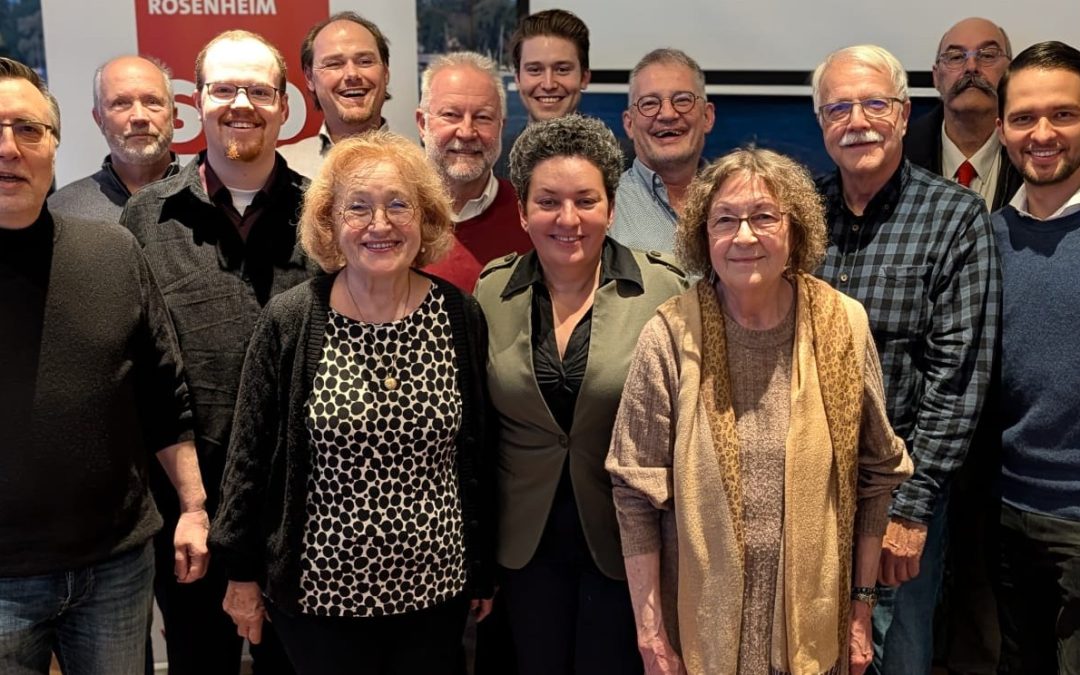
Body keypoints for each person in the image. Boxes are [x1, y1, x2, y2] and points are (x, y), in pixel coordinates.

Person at [607, 146, 914, 674]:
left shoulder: (843, 324)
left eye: (764, 217)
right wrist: (650, 631)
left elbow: (876, 475)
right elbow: (636, 494)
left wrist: (861, 609)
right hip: (701, 630)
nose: (744, 236)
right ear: (704, 237)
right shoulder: (670, 333)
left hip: (818, 628)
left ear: (795, 229)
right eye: (725, 219)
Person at [210, 130, 495, 675]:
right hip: (320, 597)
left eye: (398, 205)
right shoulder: (292, 319)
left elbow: (476, 453)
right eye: (358, 207)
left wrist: (480, 569)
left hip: (436, 591)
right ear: (330, 224)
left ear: (426, 218)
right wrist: (240, 574)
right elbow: (248, 457)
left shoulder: (459, 316)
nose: (380, 225)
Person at [0, 56, 208, 674]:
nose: (9, 148)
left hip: (115, 567)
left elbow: (162, 393)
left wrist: (194, 507)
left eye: (28, 129)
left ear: (56, 145)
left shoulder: (112, 250)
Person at [120, 29, 311, 675]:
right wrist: (194, 505)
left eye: (259, 90)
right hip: (187, 520)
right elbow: (142, 375)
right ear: (193, 102)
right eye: (224, 87)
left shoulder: (327, 216)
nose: (241, 103)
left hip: (303, 519)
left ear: (286, 107)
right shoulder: (144, 222)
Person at [474, 115, 687, 675]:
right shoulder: (492, 291)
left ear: (611, 208)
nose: (567, 219)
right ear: (522, 211)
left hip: (627, 545)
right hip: (521, 547)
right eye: (548, 201)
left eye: (586, 200)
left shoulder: (663, 289)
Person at [811, 45, 1000, 675]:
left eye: (873, 104)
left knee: (897, 655)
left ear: (902, 113)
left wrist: (913, 507)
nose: (856, 120)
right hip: (805, 490)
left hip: (899, 496)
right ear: (820, 121)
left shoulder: (954, 217)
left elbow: (958, 378)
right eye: (838, 107)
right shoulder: (802, 215)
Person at [992, 40, 1080, 674]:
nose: (1041, 134)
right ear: (1001, 129)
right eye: (1024, 118)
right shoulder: (988, 237)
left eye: (1064, 115)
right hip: (1003, 517)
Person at [417, 51, 531, 292]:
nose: (467, 132)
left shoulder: (532, 217)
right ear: (422, 124)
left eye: (483, 117)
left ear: (501, 127)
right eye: (451, 115)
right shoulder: (391, 218)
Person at [904, 18, 1021, 211]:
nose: (971, 67)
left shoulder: (1034, 151)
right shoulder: (900, 154)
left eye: (988, 55)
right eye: (956, 57)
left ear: (1011, 72)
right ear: (936, 77)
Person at [49, 55, 180, 222]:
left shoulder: (213, 199)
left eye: (152, 102)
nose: (139, 117)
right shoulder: (61, 211)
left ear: (173, 115)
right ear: (99, 120)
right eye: (121, 103)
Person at [610, 48, 715, 253]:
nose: (667, 114)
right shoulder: (602, 208)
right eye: (649, 103)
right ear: (629, 124)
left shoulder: (741, 203)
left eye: (683, 100)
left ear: (707, 117)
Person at [278, 12, 391, 178]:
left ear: (386, 72)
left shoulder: (423, 168)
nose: (352, 74)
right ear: (310, 78)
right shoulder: (282, 168)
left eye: (365, 61)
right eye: (333, 64)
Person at [495, 9, 593, 179]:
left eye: (562, 70)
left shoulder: (621, 161)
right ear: (518, 79)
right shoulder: (494, 160)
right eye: (535, 70)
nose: (548, 84)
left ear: (584, 78)